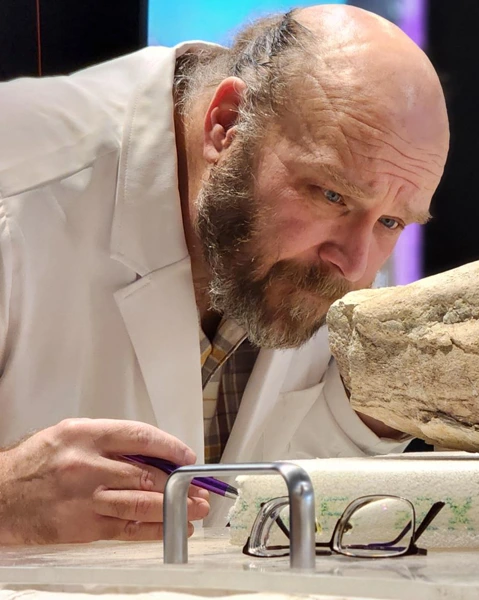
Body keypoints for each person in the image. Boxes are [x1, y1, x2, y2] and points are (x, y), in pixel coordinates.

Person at [0, 4, 449, 544]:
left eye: (391, 222)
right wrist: (9, 499)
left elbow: (270, 489)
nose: (355, 264)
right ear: (227, 124)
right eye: (332, 195)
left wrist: (370, 423)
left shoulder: (322, 256)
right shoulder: (19, 183)